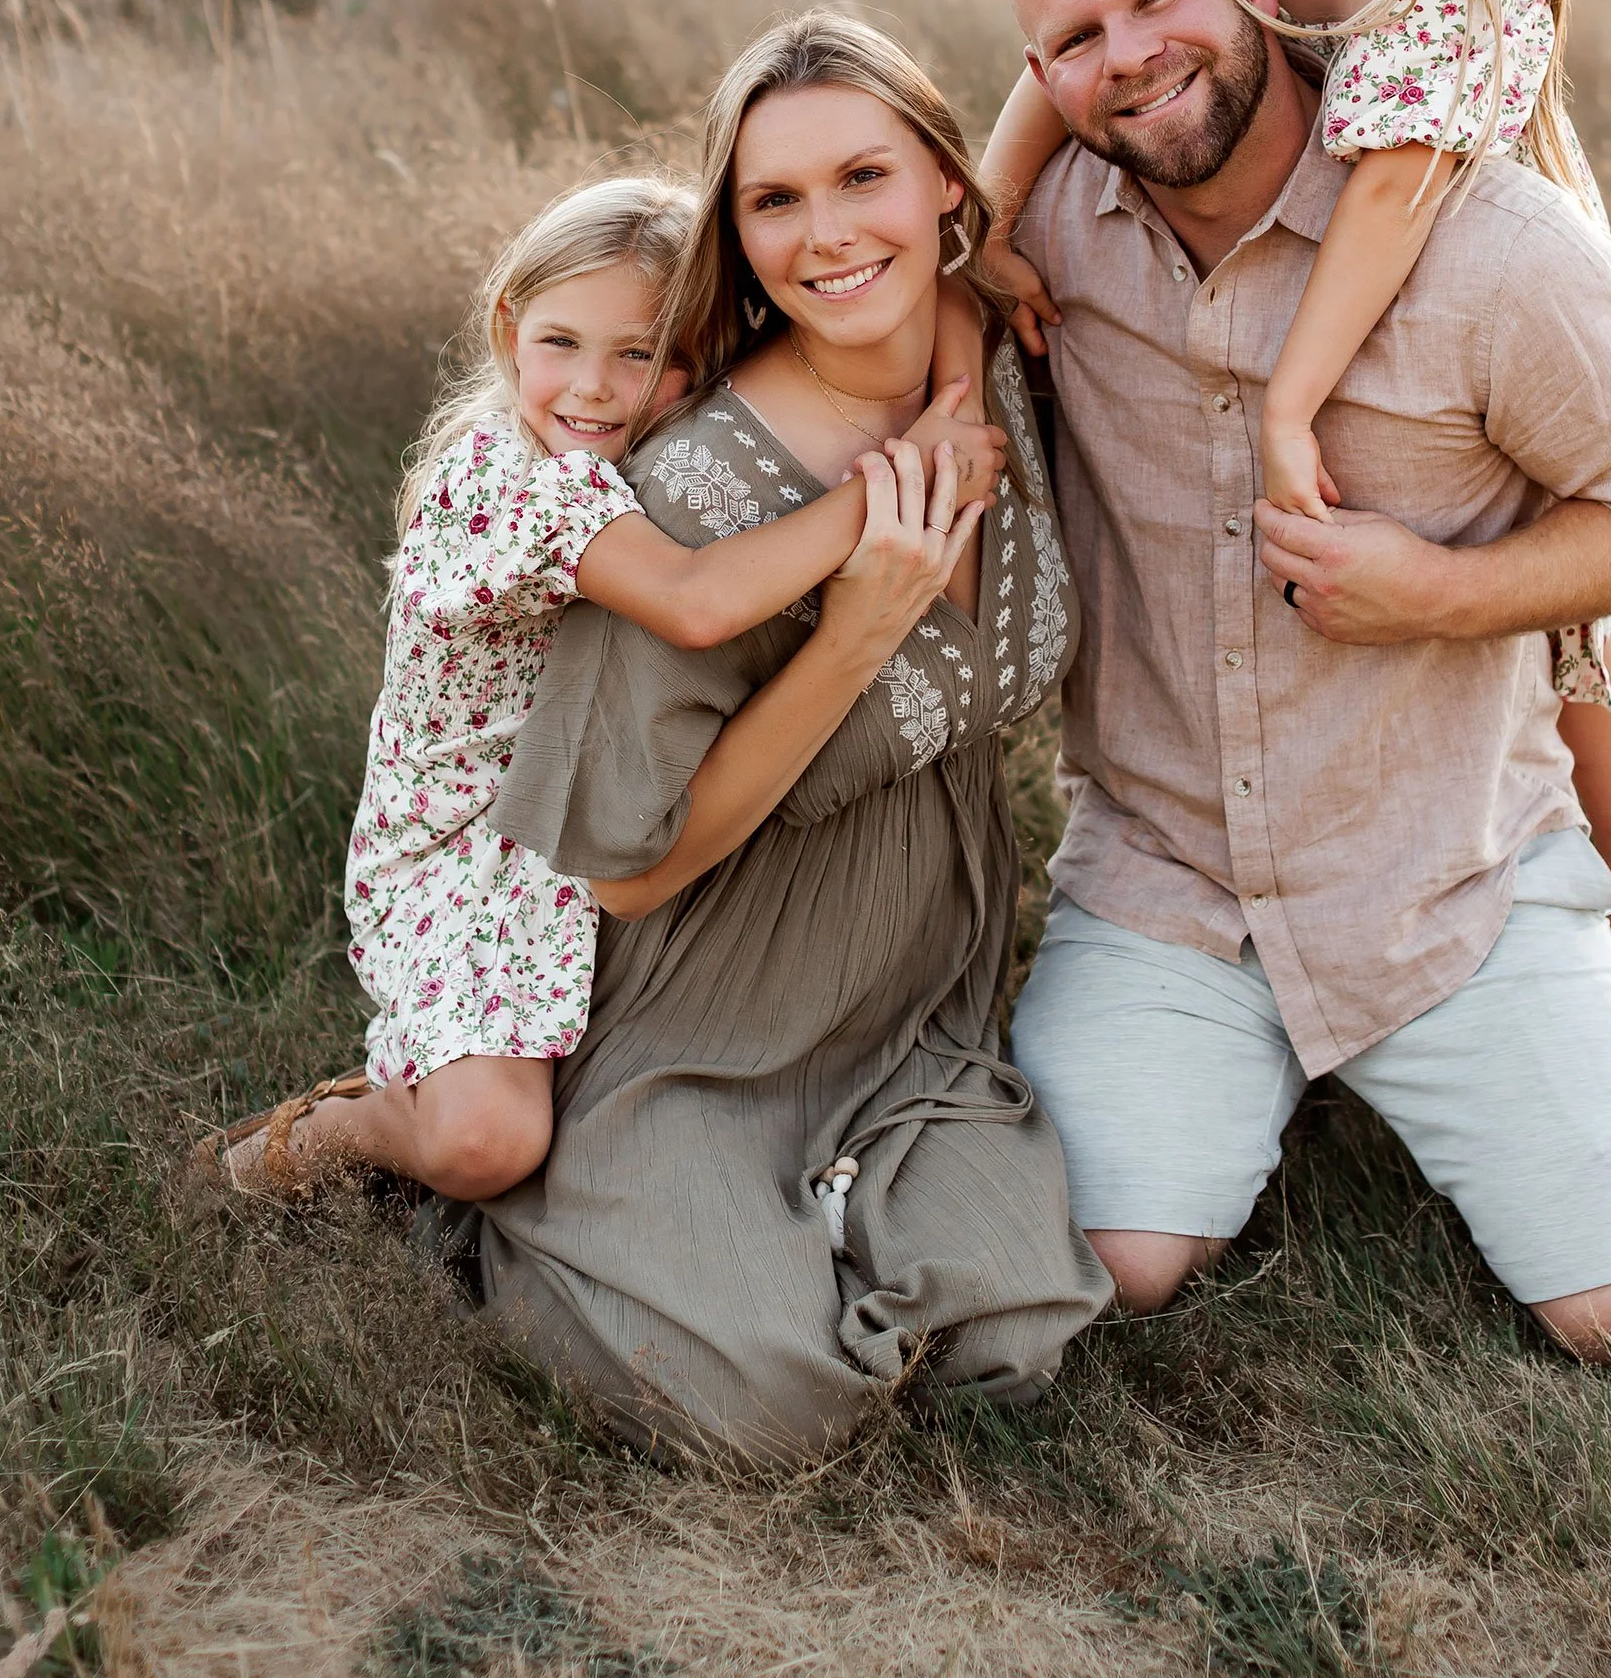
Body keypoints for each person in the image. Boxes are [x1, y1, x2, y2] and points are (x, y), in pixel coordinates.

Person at [996, 0, 1611, 1360]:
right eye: (1077, 37)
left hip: (1441, 868)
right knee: (1108, 1258)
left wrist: (1453, 592)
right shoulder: (1046, 242)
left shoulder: (1489, 243)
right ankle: (1269, 1066)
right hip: (1170, 871)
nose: (1128, 55)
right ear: (1040, 77)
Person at [979, 0, 1611, 1035]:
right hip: (1295, 203)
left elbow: (1386, 195)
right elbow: (1065, 45)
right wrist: (987, 223)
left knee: (1555, 629)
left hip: (1427, 232)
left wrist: (1292, 401)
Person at [458, 14, 1108, 1462]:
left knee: (1015, 1339)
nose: (826, 236)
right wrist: (859, 631)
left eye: (863, 177)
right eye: (773, 200)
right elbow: (629, 874)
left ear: (947, 184)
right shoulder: (698, 499)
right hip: (704, 1002)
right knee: (775, 1409)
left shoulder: (984, 337)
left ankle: (826, 1209)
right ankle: (536, 1204)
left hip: (913, 995)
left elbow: (1079, 55)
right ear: (734, 232)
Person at [198, 172, 1006, 1205]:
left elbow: (931, 289)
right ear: (507, 327)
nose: (594, 388)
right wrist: (899, 482)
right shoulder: (507, 482)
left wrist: (961, 387)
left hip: (590, 806)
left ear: (705, 351)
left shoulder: (668, 433)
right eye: (561, 343)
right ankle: (347, 1124)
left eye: (645, 354)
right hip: (468, 850)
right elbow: (697, 603)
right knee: (484, 1146)